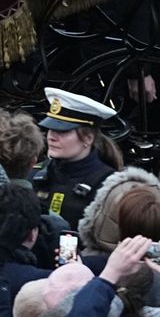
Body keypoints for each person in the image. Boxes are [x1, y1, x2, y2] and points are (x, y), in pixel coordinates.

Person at [31, 87, 119, 226]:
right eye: (51, 129)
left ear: (88, 138)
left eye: (62, 131)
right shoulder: (36, 173)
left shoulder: (108, 186)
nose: (51, 137)